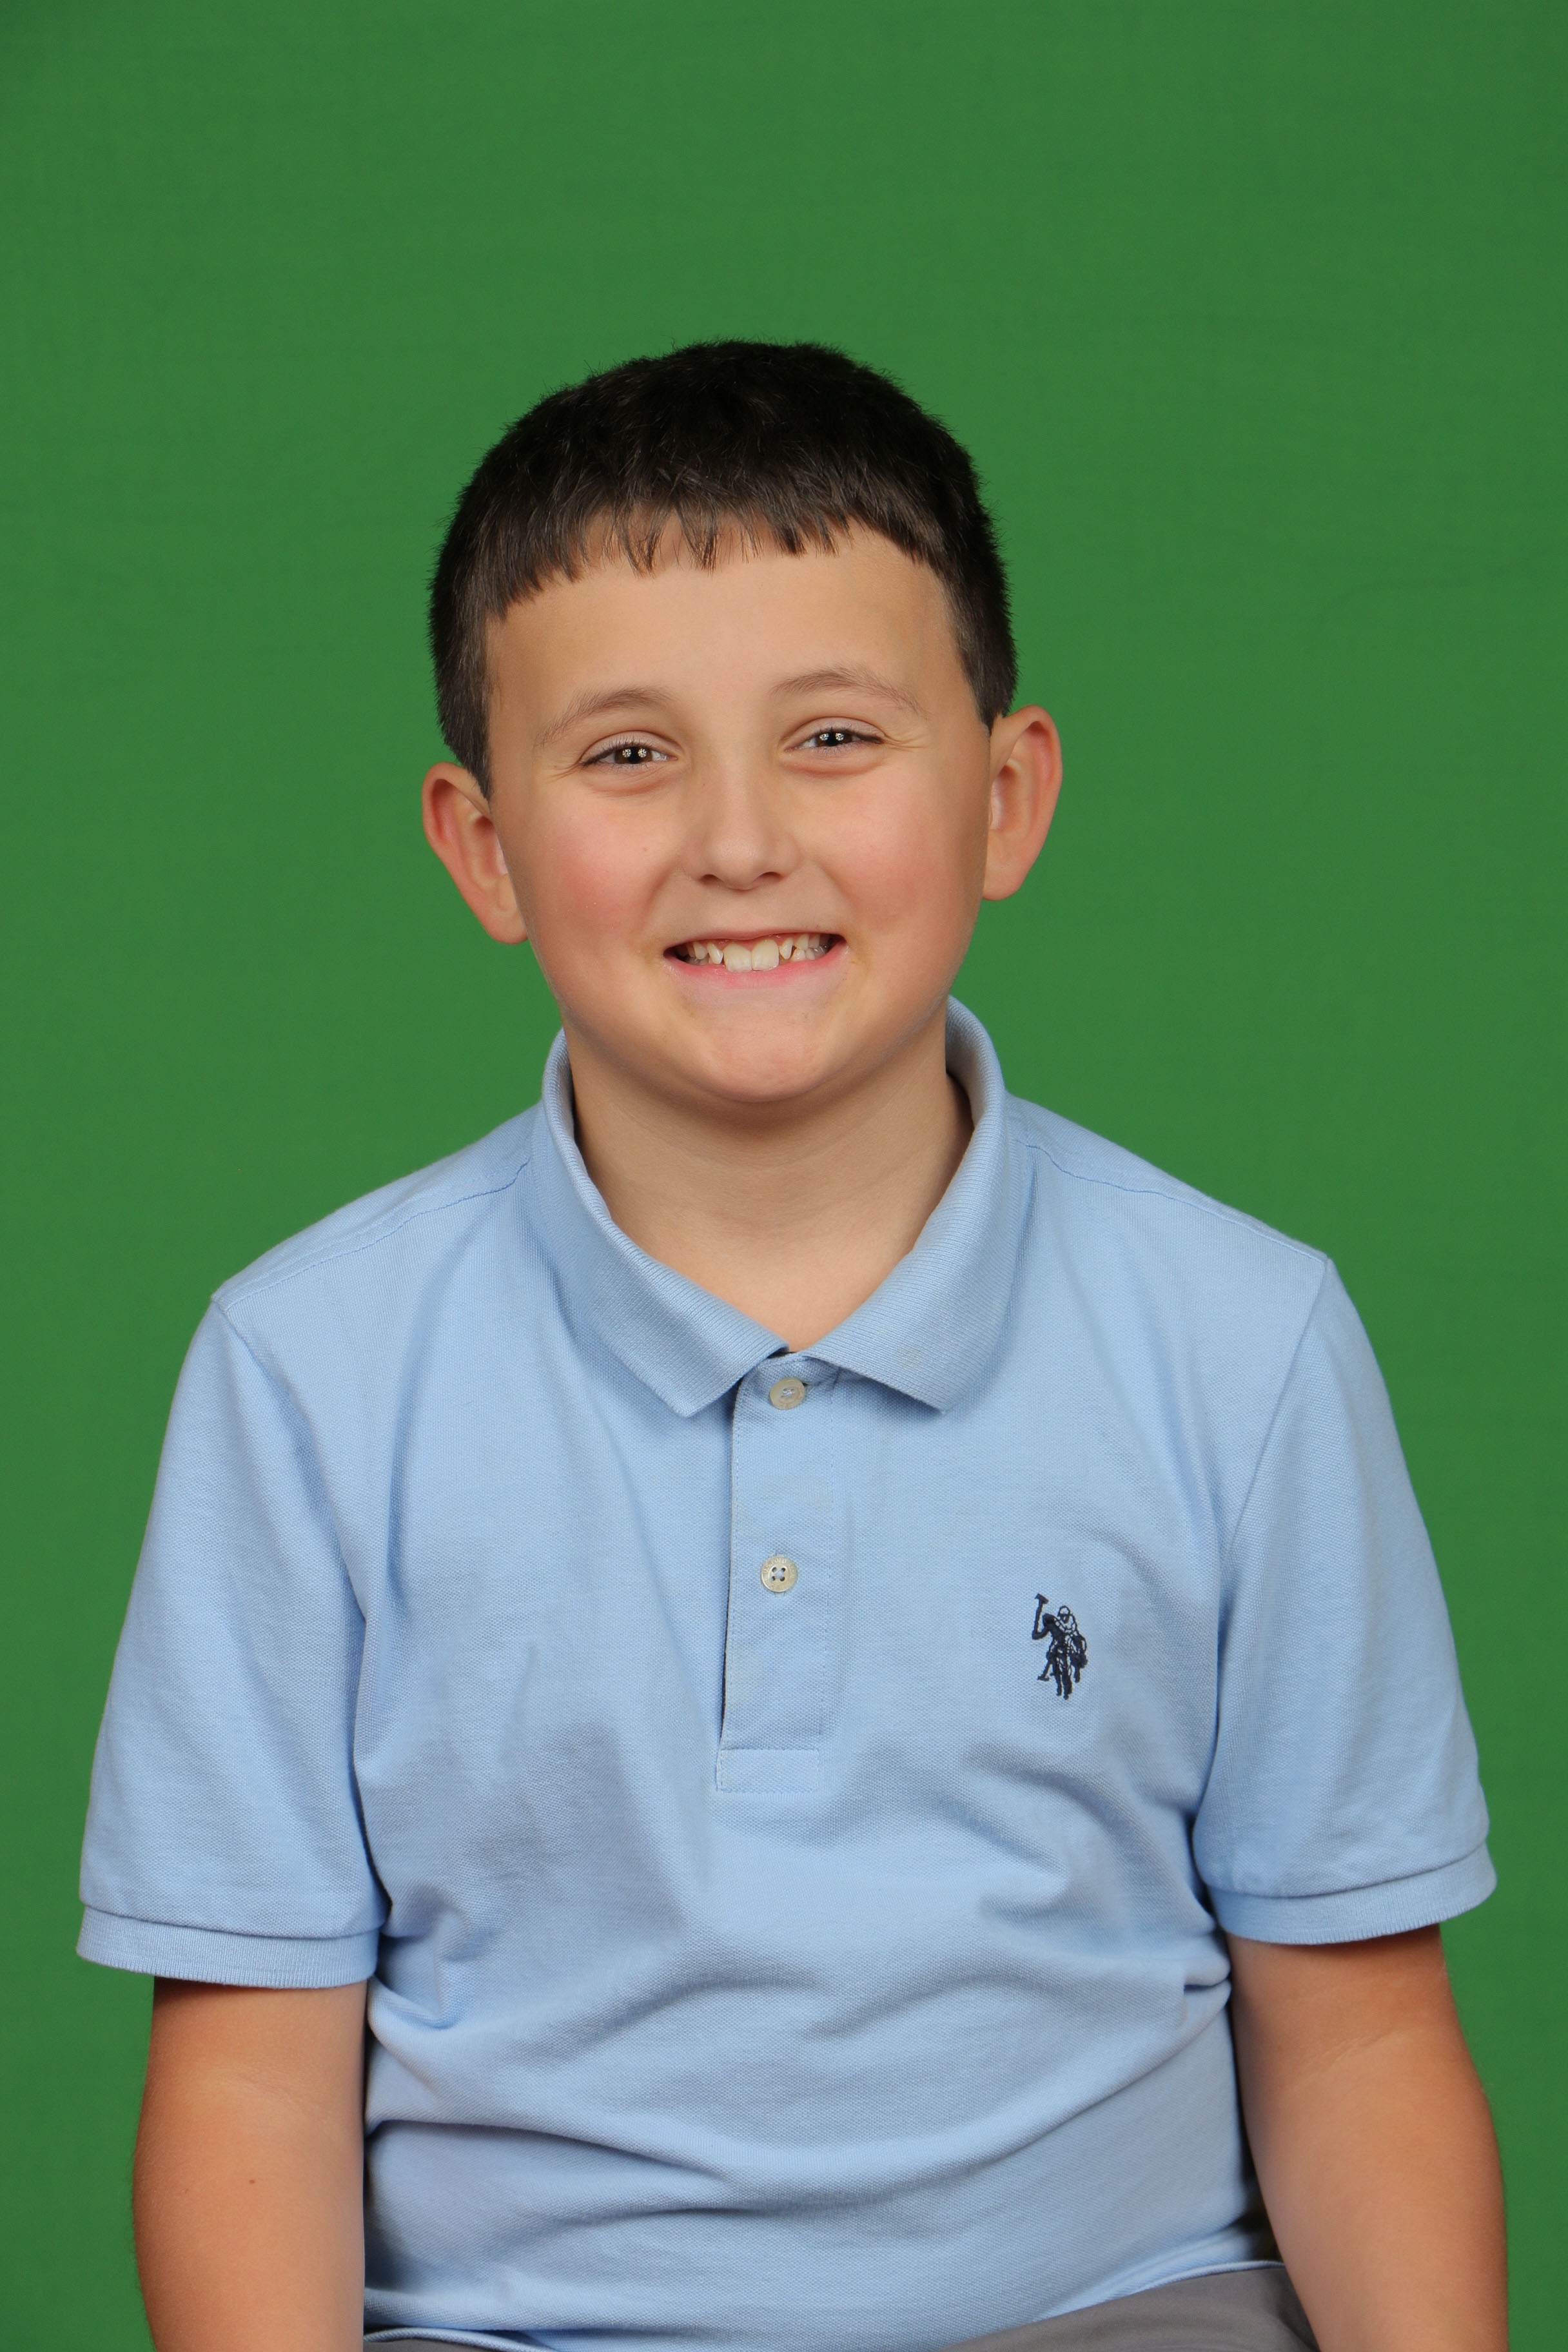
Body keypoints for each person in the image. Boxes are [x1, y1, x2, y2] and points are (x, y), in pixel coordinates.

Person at [79, 342, 1506, 2352]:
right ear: (482, 846)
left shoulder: (1243, 1340)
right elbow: (248, 2073)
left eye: (834, 735)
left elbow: (1356, 2034)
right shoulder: (307, 1371)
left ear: (1003, 798)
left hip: (1124, 2309)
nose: (740, 839)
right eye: (627, 755)